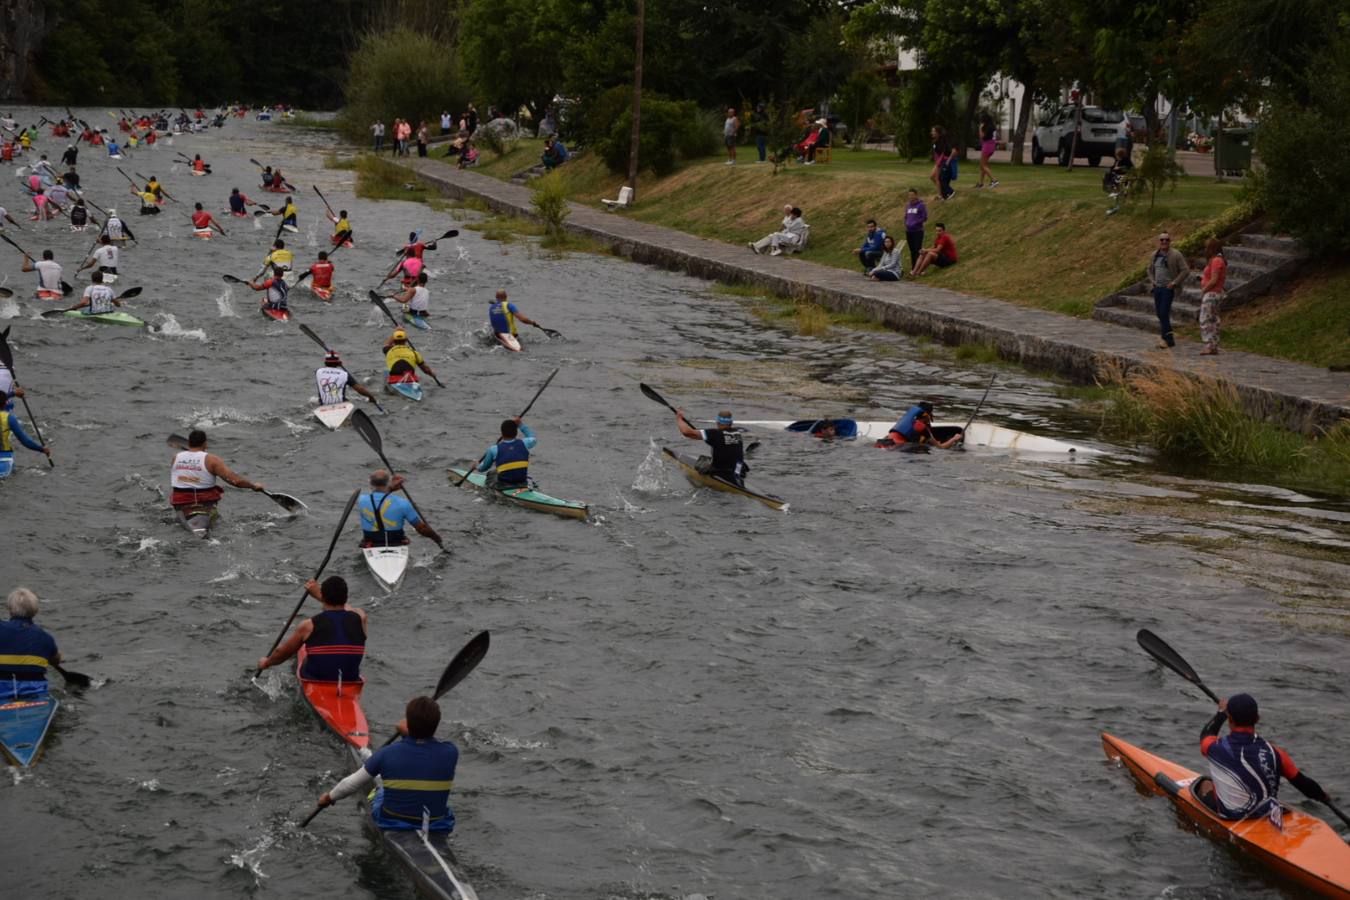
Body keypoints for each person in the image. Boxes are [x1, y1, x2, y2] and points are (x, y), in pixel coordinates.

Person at [315, 695, 459, 832]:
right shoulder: (451, 752)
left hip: (391, 821)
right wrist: (408, 731)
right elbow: (426, 744)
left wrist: (329, 798)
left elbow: (350, 784)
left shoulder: (387, 753)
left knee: (382, 790)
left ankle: (377, 782)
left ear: (408, 724)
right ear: (436, 724)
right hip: (436, 823)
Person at [1194, 693, 1331, 820]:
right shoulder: (1276, 752)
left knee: (1204, 783)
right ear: (1257, 719)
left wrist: (1221, 714)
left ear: (1230, 719)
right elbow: (1304, 785)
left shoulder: (1214, 747)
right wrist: (1323, 797)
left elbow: (1206, 734)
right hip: (1267, 816)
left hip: (1232, 818)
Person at [255, 576, 367, 679]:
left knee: (303, 652)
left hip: (316, 680)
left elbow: (281, 654)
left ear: (323, 596)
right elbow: (349, 609)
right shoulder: (361, 618)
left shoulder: (308, 626)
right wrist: (320, 595)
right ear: (346, 597)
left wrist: (266, 663)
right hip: (350, 680)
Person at [169, 429, 265, 521]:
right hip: (204, 503)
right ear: (205, 444)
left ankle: (186, 517)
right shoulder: (212, 460)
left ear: (189, 443)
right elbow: (236, 481)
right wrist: (253, 486)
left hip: (181, 502)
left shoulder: (176, 457)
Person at [0, 588, 61, 697]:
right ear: (35, 611)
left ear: (9, 609)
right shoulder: (46, 638)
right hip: (34, 690)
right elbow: (56, 660)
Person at [357, 469, 441, 547]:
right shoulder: (403, 503)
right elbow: (421, 528)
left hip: (371, 543)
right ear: (388, 482)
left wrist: (390, 488)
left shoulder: (361, 500)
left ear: (370, 483)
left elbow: (379, 497)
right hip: (396, 543)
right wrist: (435, 537)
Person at [675, 408, 749, 487]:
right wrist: (703, 436)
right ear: (731, 422)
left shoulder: (715, 434)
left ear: (718, 422)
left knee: (702, 466)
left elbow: (686, 432)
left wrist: (679, 419)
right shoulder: (737, 433)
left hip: (721, 473)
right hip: (738, 471)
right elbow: (722, 441)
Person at [1146, 232, 1190, 349]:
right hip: (1157, 288)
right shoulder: (1154, 255)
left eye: (1167, 240)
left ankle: (1166, 339)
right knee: (1159, 313)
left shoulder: (1176, 254)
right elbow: (1149, 269)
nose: (1164, 242)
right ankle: (1168, 338)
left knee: (1164, 313)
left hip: (1168, 288)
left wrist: (1174, 283)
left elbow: (1185, 270)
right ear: (1159, 242)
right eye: (1162, 240)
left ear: (1170, 241)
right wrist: (1152, 281)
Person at [475, 416, 536, 488]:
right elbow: (532, 437)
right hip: (522, 482)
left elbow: (484, 468)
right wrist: (520, 425)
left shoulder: (493, 449)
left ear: (502, 433)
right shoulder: (524, 443)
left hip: (503, 485)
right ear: (516, 432)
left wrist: (476, 466)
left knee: (492, 473)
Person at [0, 391, 52, 472]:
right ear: (5, 403)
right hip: (4, 459)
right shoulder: (9, 418)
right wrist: (42, 449)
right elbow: (25, 441)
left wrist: (13, 393)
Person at [884, 401, 962, 449]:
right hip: (895, 448)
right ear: (928, 415)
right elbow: (941, 447)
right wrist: (954, 439)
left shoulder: (907, 421)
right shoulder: (922, 427)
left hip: (883, 443)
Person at [1198, 237, 1227, 356]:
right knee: (1214, 319)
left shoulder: (1216, 261)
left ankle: (1209, 344)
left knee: (1206, 318)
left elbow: (1214, 280)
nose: (1205, 249)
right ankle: (1214, 345)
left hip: (1212, 293)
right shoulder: (1218, 260)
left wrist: (1204, 289)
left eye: (1207, 247)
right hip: (1215, 293)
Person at [1104, 147, 1134, 216]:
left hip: (1124, 176)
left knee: (1116, 181)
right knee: (1109, 176)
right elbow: (1114, 167)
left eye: (1117, 155)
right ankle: (1115, 192)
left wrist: (1119, 168)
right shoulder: (1118, 160)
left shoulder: (1126, 160)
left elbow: (1129, 168)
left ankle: (1118, 193)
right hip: (1118, 175)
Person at [930, 126, 955, 201]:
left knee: (936, 178)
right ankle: (942, 193)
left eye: (933, 131)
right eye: (932, 131)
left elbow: (943, 153)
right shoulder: (935, 141)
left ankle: (943, 194)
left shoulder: (942, 141)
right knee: (932, 177)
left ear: (938, 133)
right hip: (938, 161)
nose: (932, 133)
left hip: (941, 162)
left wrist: (939, 162)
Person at [975, 115, 999, 188]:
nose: (981, 122)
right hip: (991, 146)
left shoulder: (987, 128)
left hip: (987, 146)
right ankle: (981, 183)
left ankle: (994, 180)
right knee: (982, 165)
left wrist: (980, 128)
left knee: (983, 165)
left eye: (982, 121)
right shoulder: (992, 127)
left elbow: (982, 136)